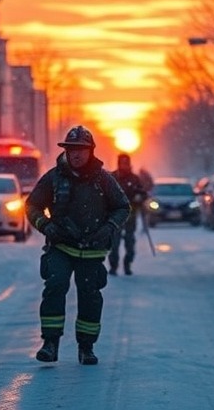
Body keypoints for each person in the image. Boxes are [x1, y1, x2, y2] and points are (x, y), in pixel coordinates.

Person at [25, 125, 130, 365]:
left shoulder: (104, 179)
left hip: (92, 250)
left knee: (90, 296)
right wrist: (46, 226)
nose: (76, 154)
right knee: (55, 285)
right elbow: (32, 206)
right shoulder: (53, 177)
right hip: (60, 246)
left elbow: (123, 206)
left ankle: (86, 347)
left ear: (91, 151)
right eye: (72, 149)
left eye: (81, 149)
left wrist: (108, 228)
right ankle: (50, 344)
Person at [109, 153, 147, 275]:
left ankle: (127, 265)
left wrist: (139, 197)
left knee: (130, 242)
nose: (124, 165)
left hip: (131, 215)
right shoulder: (112, 177)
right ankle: (114, 267)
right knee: (114, 243)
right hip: (115, 216)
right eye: (122, 162)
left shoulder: (135, 179)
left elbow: (143, 193)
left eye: (126, 162)